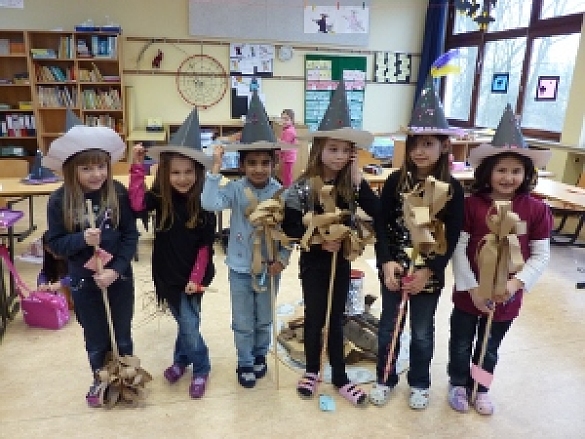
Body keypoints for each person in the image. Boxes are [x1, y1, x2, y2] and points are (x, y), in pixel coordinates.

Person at [447, 104, 552, 416]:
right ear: (487, 172)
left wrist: (514, 284)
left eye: (516, 171)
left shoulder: (536, 210)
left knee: (489, 346)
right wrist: (472, 289)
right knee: (461, 342)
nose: (508, 177)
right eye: (501, 170)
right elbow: (459, 249)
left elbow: (541, 254)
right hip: (469, 293)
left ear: (526, 174)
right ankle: (457, 383)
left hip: (507, 295)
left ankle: (481, 387)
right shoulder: (471, 205)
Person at [370, 70, 464, 409]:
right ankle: (385, 378)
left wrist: (429, 271)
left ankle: (420, 383)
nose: (420, 151)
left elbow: (451, 236)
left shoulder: (452, 189)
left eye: (428, 144)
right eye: (415, 143)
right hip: (395, 269)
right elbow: (381, 224)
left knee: (422, 331)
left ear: (444, 146)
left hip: (428, 273)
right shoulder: (395, 181)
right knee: (389, 327)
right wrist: (386, 261)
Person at [282, 80, 379, 407]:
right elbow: (291, 227)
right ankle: (313, 370)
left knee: (337, 318)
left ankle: (339, 375)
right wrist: (319, 242)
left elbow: (378, 213)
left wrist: (359, 182)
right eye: (332, 149)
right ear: (319, 149)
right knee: (315, 317)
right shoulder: (301, 187)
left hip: (342, 263)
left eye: (345, 150)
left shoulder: (351, 185)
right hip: (314, 263)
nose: (338, 156)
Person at [43, 119, 139, 408]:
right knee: (96, 338)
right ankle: (101, 378)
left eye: (101, 166)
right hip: (84, 283)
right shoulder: (59, 201)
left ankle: (125, 377)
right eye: (86, 168)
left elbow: (130, 236)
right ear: (71, 169)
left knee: (122, 335)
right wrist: (82, 239)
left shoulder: (117, 192)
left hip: (118, 279)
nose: (96, 174)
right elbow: (55, 243)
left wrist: (116, 269)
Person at [201, 92, 292, 389]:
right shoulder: (236, 189)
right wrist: (214, 170)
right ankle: (244, 360)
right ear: (241, 164)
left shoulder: (280, 192)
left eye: (265, 162)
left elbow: (289, 232)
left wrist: (283, 259)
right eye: (252, 163)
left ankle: (259, 354)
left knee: (264, 318)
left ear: (273, 163)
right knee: (242, 320)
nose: (258, 169)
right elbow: (209, 203)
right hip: (240, 267)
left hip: (270, 267)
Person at [128, 108, 216, 399]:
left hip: (195, 276)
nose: (182, 178)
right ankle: (183, 360)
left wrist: (196, 278)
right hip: (167, 273)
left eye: (188, 172)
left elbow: (205, 246)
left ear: (198, 172)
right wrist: (137, 167)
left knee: (189, 324)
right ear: (165, 172)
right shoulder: (161, 197)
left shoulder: (204, 203)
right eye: (175, 172)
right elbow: (137, 205)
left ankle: (200, 367)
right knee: (186, 322)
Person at [37, 231, 74, 310]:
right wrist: (42, 283)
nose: (54, 254)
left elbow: (80, 275)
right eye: (49, 251)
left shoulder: (74, 255)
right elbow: (45, 272)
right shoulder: (52, 258)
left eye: (55, 250)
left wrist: (61, 283)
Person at [277, 109, 298, 188]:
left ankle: (287, 191)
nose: (284, 121)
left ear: (292, 120)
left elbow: (284, 146)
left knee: (287, 177)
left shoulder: (288, 131)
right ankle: (287, 189)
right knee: (287, 175)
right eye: (282, 119)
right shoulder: (288, 129)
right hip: (288, 157)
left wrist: (278, 143)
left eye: (286, 119)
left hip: (288, 158)